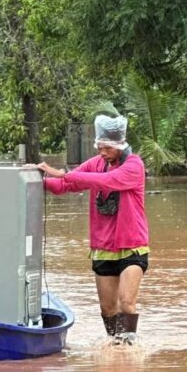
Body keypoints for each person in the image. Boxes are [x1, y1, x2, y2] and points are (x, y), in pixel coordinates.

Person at [35, 114, 149, 345]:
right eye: (100, 147)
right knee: (107, 307)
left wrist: (65, 173)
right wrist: (32, 179)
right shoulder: (96, 164)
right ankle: (116, 345)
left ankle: (129, 348)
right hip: (103, 245)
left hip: (132, 244)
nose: (102, 152)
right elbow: (64, 185)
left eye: (107, 148)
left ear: (120, 145)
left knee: (126, 302)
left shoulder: (134, 165)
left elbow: (107, 181)